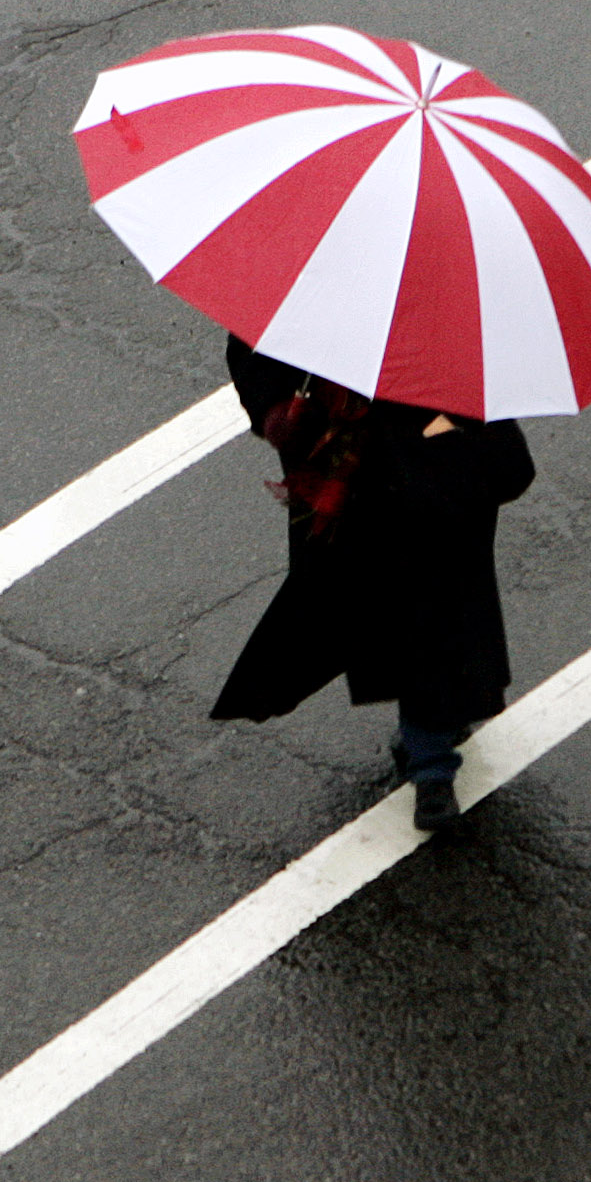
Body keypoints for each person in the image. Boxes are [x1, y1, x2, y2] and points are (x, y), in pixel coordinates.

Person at [210, 334, 536, 830]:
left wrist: (280, 413)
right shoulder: (453, 326)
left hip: (350, 477)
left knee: (394, 614)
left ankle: (429, 753)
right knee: (431, 621)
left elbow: (255, 352)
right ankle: (431, 762)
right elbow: (511, 469)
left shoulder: (314, 287)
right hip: (395, 486)